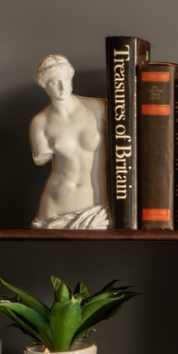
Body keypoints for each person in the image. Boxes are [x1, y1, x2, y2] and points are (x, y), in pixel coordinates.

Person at [29, 53, 109, 230]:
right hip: (57, 203)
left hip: (96, 202)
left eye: (65, 79)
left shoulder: (100, 108)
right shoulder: (40, 122)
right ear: (45, 86)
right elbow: (40, 158)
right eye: (54, 82)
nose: (62, 86)